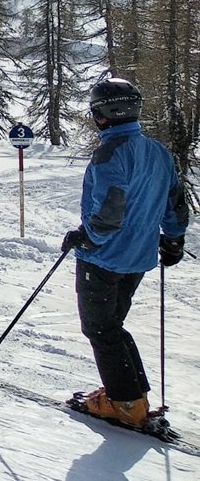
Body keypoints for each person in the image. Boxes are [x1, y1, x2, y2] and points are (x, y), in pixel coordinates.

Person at [62, 77, 188, 428]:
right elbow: (175, 202)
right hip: (138, 259)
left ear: (101, 115)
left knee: (100, 330)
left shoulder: (109, 154)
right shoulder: (158, 151)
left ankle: (127, 403)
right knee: (111, 326)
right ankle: (131, 393)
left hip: (103, 260)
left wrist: (85, 237)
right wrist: (174, 240)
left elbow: (109, 212)